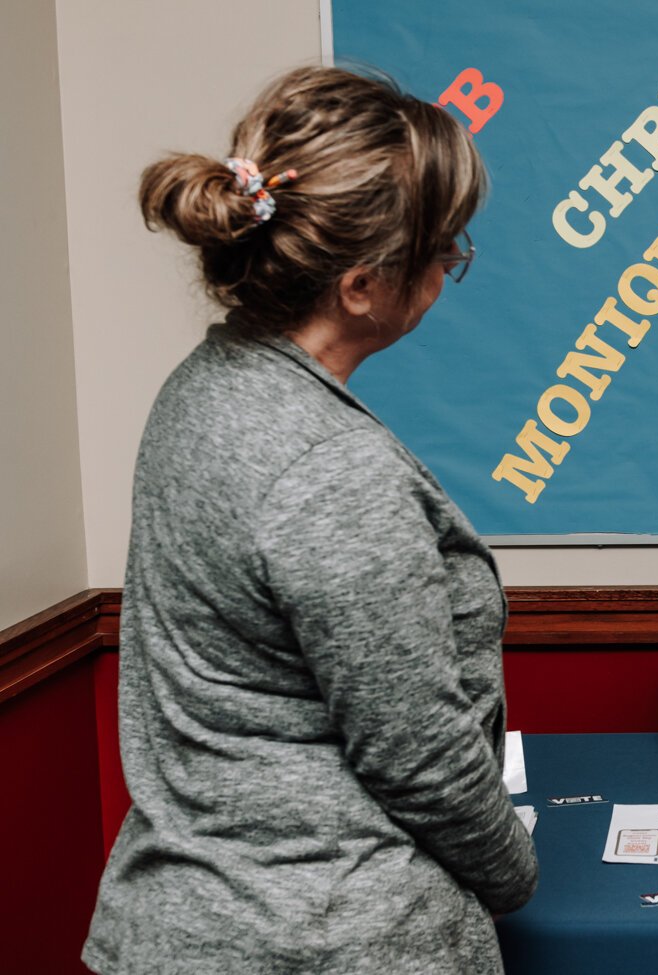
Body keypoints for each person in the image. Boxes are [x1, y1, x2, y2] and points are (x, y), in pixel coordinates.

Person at [83, 67, 536, 974]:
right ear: (364, 285)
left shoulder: (201, 387)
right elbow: (419, 758)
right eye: (447, 249)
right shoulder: (331, 468)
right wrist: (518, 873)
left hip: (177, 924)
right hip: (327, 938)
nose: (451, 267)